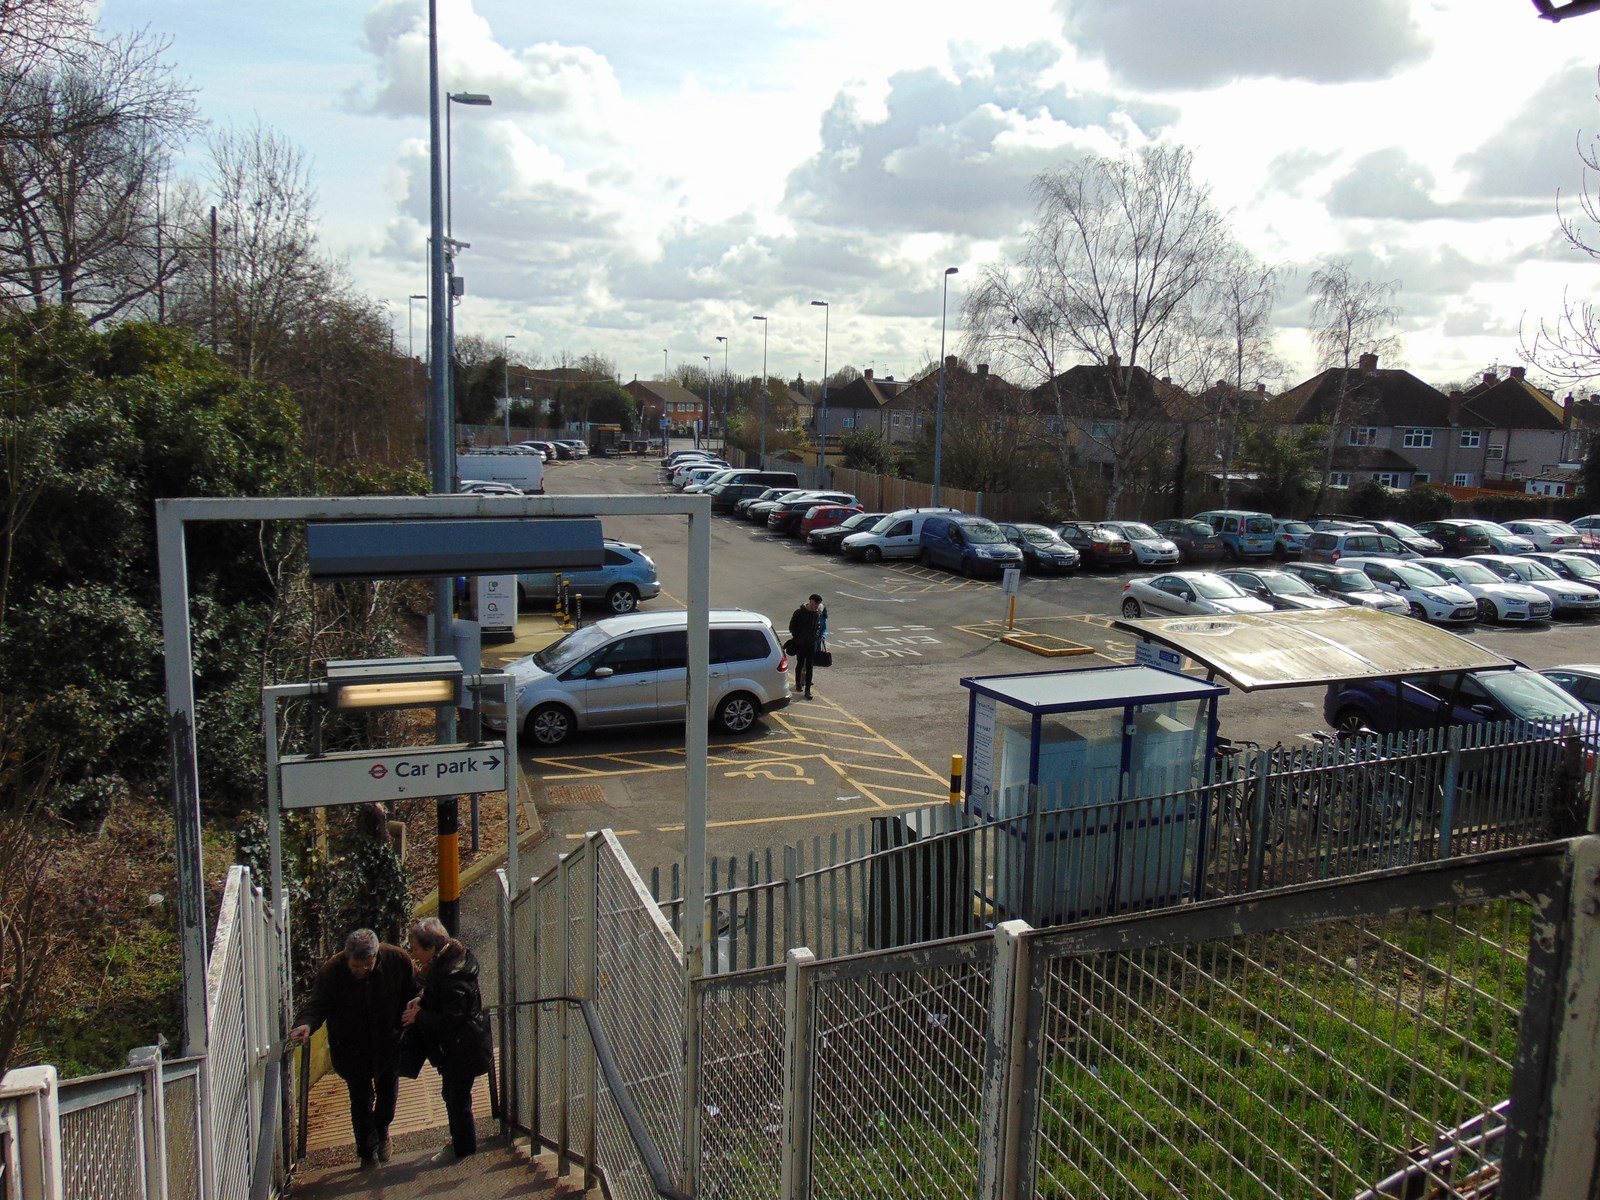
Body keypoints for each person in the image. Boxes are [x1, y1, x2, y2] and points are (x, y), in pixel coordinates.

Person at [289, 929, 417, 1169]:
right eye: (355, 966)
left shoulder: (397, 960)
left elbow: (415, 988)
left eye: (367, 966)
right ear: (347, 958)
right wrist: (305, 1024)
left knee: (388, 1096)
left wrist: (417, 1006)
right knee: (360, 1101)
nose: (361, 971)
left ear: (376, 956)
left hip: (388, 1044)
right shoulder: (332, 972)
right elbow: (317, 1004)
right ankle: (367, 1153)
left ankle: (382, 1130)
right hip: (350, 1049)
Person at [402, 916, 492, 1165]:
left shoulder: (450, 973)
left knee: (456, 1099)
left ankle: (462, 1150)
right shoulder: (450, 963)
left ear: (431, 947)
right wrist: (422, 1001)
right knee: (453, 1095)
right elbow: (445, 1002)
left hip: (462, 1047)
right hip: (461, 1046)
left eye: (417, 948)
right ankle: (462, 1145)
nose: (414, 954)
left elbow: (453, 1017)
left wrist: (419, 1017)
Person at [787, 592, 828, 700]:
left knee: (810, 666)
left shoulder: (816, 614)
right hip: (800, 644)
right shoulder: (799, 613)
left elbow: (818, 627)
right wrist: (798, 637)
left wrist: (816, 637)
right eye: (815, 603)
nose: (817, 606)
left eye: (818, 604)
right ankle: (798, 683)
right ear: (810, 601)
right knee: (800, 663)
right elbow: (792, 627)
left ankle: (808, 690)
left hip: (811, 644)